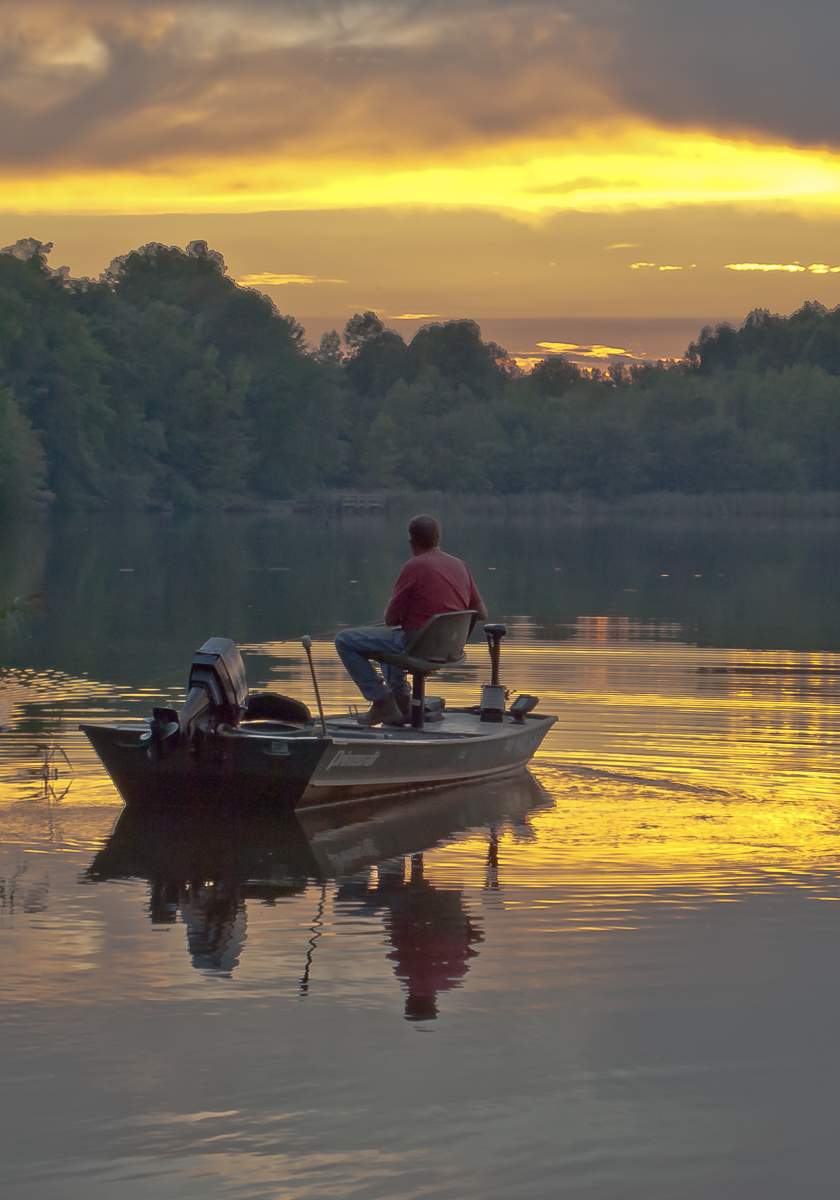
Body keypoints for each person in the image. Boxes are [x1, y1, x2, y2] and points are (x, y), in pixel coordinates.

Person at [335, 514, 488, 726]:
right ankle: (401, 701)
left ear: (411, 541)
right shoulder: (460, 565)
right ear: (438, 538)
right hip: (451, 649)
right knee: (393, 639)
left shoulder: (414, 566)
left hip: (418, 646)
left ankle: (381, 702)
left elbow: (390, 618)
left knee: (345, 640)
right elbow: (481, 612)